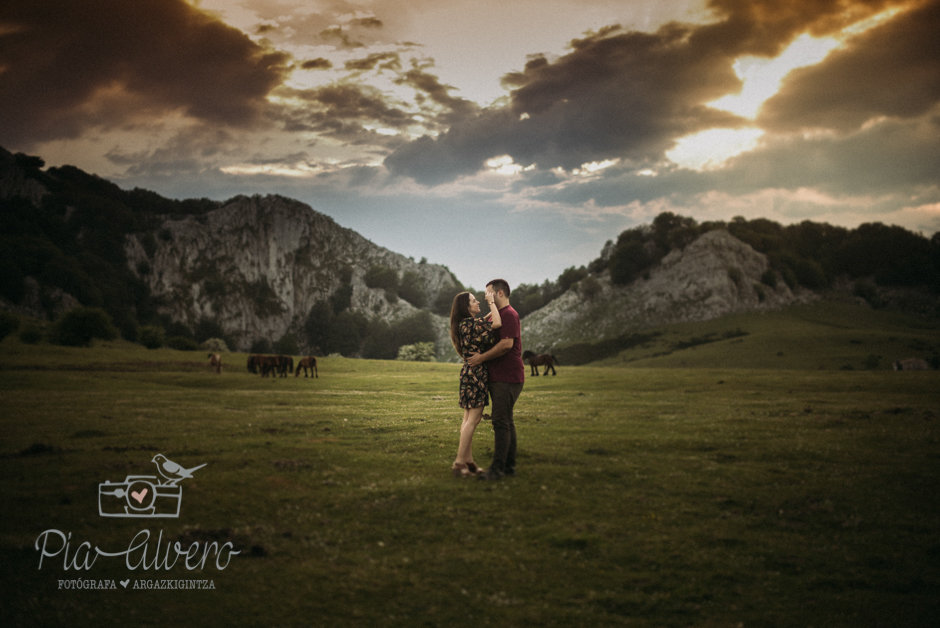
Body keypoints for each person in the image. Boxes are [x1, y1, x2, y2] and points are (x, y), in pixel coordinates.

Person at [466, 279, 525, 480]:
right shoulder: (499, 314)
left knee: (500, 422)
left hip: (507, 377)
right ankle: (509, 467)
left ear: (499, 293)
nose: (485, 297)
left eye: (489, 294)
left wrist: (480, 358)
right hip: (500, 376)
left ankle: (497, 470)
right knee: (506, 421)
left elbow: (506, 345)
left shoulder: (509, 314)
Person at [449, 289, 502, 478]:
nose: (478, 301)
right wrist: (492, 303)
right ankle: (459, 463)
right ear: (467, 307)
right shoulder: (471, 324)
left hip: (467, 374)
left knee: (467, 419)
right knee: (474, 419)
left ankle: (469, 461)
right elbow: (496, 323)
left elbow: (485, 321)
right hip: (476, 375)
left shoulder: (465, 324)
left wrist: (490, 309)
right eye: (474, 300)